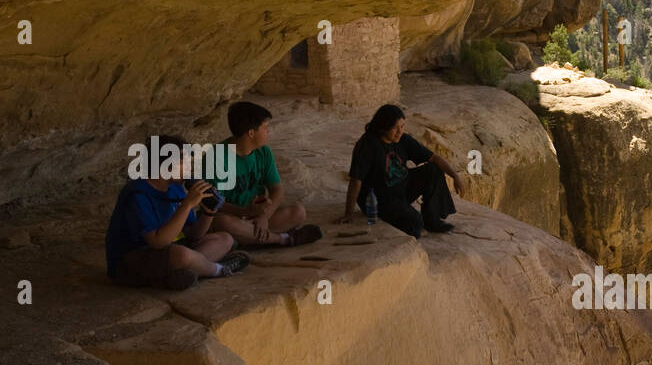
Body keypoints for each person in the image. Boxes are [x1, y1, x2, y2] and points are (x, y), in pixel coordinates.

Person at [105, 135, 251, 289]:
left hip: (168, 253)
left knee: (224, 239)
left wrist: (209, 212)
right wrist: (187, 204)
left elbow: (193, 235)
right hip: (133, 259)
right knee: (182, 255)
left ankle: (186, 272)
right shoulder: (137, 194)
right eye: (184, 163)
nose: (190, 169)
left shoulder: (176, 188)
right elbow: (158, 242)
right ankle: (218, 269)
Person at [336, 104, 468, 237]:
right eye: (395, 127)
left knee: (433, 170)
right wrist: (349, 213)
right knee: (415, 224)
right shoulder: (368, 145)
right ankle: (412, 218)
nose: (400, 131)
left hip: (401, 188)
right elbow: (356, 180)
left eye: (402, 126)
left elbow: (434, 158)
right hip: (380, 198)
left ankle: (432, 220)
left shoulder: (402, 139)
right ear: (383, 127)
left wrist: (455, 177)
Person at [207, 101, 322, 247]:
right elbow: (215, 202)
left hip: (257, 217)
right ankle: (283, 239)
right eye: (265, 128)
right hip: (235, 217)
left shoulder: (263, 152)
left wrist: (264, 217)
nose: (268, 132)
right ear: (251, 133)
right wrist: (245, 212)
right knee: (222, 222)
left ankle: (247, 239)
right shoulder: (216, 157)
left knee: (298, 212)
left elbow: (277, 190)